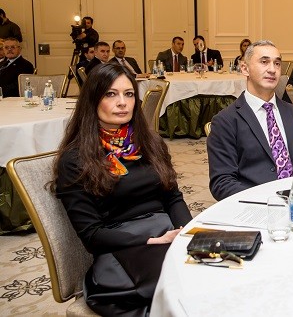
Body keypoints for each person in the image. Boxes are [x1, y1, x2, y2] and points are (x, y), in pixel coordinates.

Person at [51, 63, 192, 316]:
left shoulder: (150, 143)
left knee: (220, 271)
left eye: (128, 94)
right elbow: (91, 234)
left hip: (167, 235)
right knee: (179, 295)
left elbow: (172, 197)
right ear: (92, 100)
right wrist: (152, 240)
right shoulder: (75, 160)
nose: (122, 103)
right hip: (122, 248)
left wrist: (187, 232)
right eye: (110, 94)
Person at [208, 40, 293, 199]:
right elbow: (222, 182)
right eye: (264, 62)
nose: (272, 69)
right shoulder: (226, 121)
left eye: (277, 63)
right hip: (256, 205)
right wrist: (268, 200)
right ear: (245, 68)